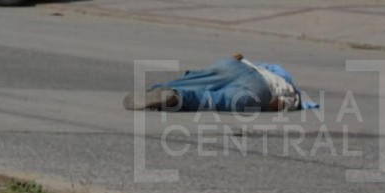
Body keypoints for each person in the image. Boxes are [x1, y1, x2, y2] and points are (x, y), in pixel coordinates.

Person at [123, 53, 319, 112]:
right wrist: (263, 106)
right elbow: (280, 104)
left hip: (235, 65)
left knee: (198, 79)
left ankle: (160, 89)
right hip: (260, 89)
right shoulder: (294, 93)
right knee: (213, 99)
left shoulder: (272, 68)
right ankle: (175, 97)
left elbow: (239, 57)